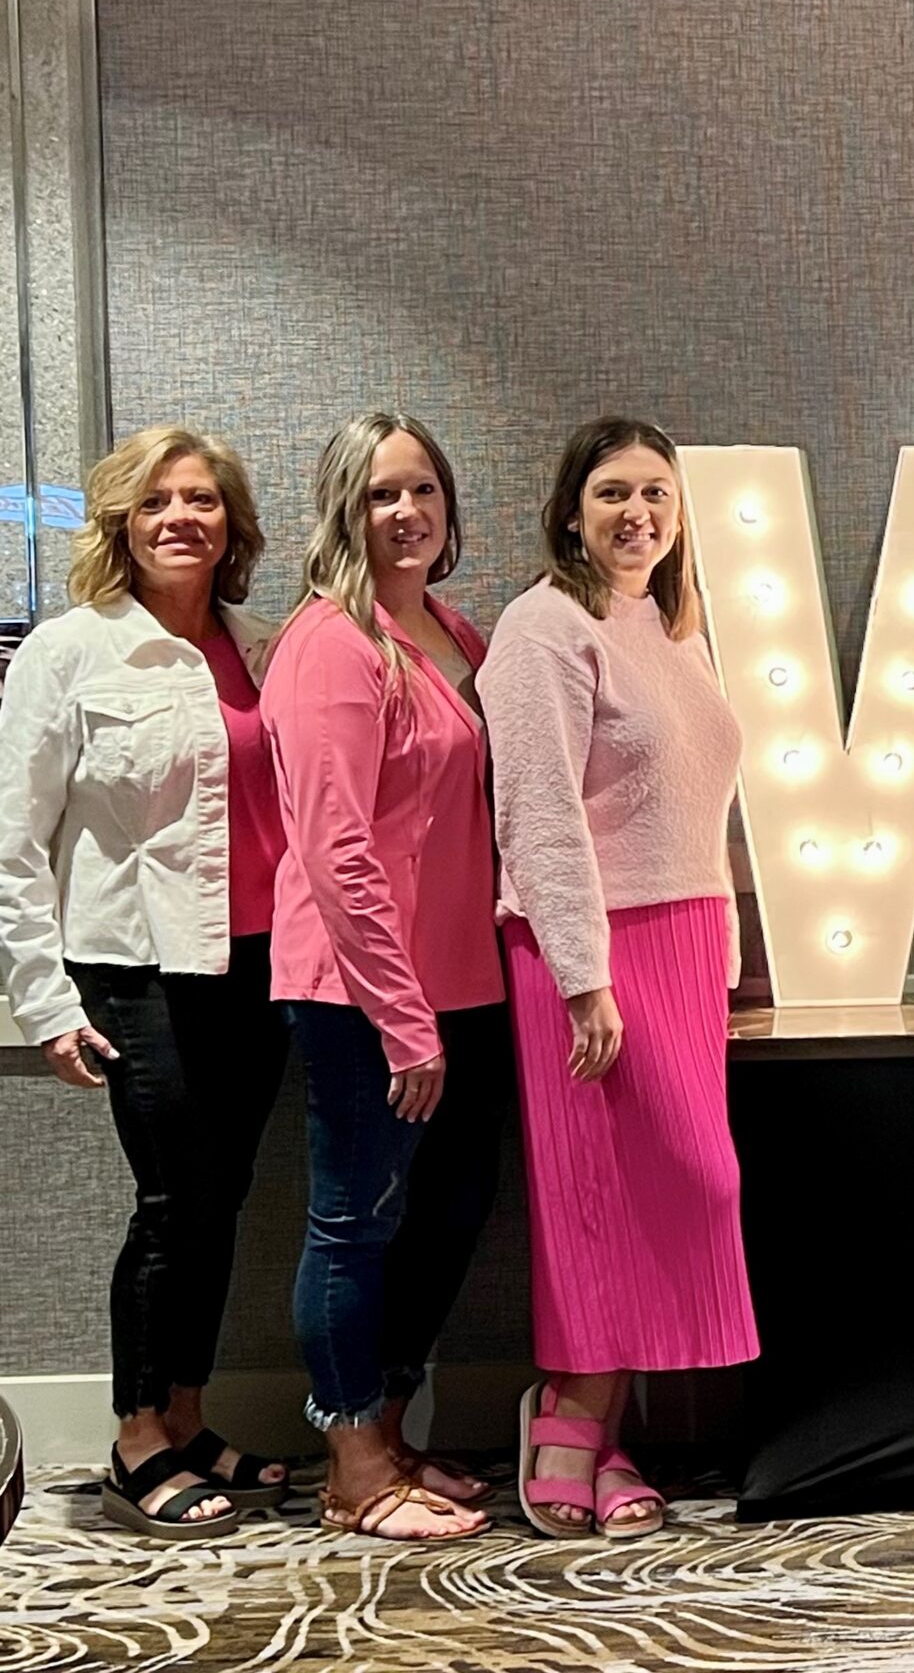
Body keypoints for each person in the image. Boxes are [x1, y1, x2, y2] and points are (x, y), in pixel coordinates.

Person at [0, 427, 291, 1538]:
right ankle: (134, 1441)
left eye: (204, 500)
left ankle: (188, 1415)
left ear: (232, 526)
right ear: (124, 523)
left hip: (258, 965)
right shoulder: (70, 652)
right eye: (158, 501)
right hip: (131, 964)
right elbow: (17, 842)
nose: (182, 518)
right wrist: (46, 1000)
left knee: (221, 1202)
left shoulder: (261, 647)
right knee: (173, 1203)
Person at [481, 417, 756, 1539]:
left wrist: (723, 941)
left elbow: (701, 799)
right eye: (611, 493)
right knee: (593, 1195)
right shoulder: (543, 627)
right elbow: (537, 812)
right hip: (584, 946)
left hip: (683, 939)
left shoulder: (673, 625)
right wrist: (586, 976)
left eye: (656, 492)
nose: (637, 512)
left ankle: (596, 1424)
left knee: (681, 1185)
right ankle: (574, 1412)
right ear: (569, 512)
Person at [264, 411, 509, 1542]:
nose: (405, 513)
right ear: (342, 511)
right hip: (362, 994)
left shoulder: (451, 629)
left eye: (421, 490)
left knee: (447, 1214)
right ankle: (353, 1467)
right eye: (377, 495)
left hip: (463, 983)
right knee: (354, 1223)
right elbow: (335, 848)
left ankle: (394, 1434)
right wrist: (404, 1022)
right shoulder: (331, 644)